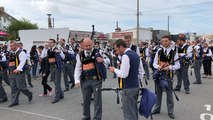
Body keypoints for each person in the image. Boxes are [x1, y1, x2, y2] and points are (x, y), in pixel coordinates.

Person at [109, 39, 144, 120]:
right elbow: (141, 72)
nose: (116, 52)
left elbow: (124, 74)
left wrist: (114, 70)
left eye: (117, 50)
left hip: (128, 88)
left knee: (128, 114)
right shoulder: (135, 55)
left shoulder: (126, 56)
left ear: (121, 47)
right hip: (136, 87)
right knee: (134, 111)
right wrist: (137, 83)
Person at [74, 38, 107, 120]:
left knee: (97, 101)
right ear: (83, 46)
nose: (88, 47)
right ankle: (86, 116)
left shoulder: (98, 52)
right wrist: (77, 80)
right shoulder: (80, 54)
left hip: (96, 80)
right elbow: (78, 68)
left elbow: (108, 60)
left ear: (92, 44)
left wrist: (102, 60)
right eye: (86, 46)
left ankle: (97, 118)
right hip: (85, 81)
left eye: (89, 45)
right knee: (86, 100)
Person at [152, 35, 180, 119]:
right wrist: (158, 67)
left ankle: (170, 111)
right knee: (158, 93)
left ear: (170, 41)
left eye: (166, 41)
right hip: (159, 75)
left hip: (169, 76)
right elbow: (154, 63)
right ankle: (157, 108)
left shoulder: (174, 52)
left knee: (169, 94)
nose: (164, 42)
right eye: (163, 41)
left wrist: (169, 67)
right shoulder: (159, 51)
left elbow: (178, 65)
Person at [8, 41, 33, 107]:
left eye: (12, 46)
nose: (11, 47)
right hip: (12, 73)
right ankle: (15, 101)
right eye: (10, 46)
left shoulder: (21, 53)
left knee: (20, 87)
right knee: (13, 87)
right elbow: (10, 62)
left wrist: (18, 69)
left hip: (19, 73)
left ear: (16, 46)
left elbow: (22, 62)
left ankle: (29, 94)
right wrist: (9, 71)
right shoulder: (11, 53)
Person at [40, 39, 65, 103]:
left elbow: (63, 57)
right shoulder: (48, 50)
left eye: (50, 42)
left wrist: (59, 52)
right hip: (51, 68)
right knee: (55, 82)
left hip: (57, 68)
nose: (49, 43)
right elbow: (43, 57)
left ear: (54, 43)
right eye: (48, 42)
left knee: (57, 82)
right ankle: (61, 94)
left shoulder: (57, 48)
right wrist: (45, 72)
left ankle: (56, 97)